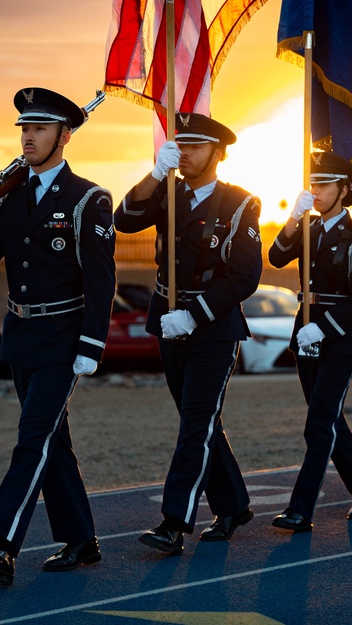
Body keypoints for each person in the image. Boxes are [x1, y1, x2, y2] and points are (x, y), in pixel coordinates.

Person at [0, 86, 116, 585]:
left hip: (63, 339)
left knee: (32, 439)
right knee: (52, 442)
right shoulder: (12, 198)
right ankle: (81, 540)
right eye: (24, 128)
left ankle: (2, 544)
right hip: (21, 336)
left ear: (65, 134)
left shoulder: (87, 200)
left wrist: (91, 345)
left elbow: (102, 281)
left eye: (38, 128)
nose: (28, 136)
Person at [114, 112, 261, 555]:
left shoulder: (241, 203)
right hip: (167, 320)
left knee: (195, 423)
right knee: (197, 420)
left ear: (219, 153)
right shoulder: (167, 191)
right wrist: (154, 174)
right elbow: (126, 219)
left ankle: (174, 522)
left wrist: (194, 315)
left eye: (197, 146)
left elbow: (244, 276)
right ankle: (233, 505)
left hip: (213, 328)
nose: (187, 153)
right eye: (182, 145)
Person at [266, 152, 352, 532]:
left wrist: (325, 326)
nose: (316, 191)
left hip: (339, 338)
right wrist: (292, 220)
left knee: (318, 423)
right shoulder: (307, 228)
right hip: (305, 333)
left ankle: (301, 509)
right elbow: (276, 257)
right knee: (329, 419)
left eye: (324, 185)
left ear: (343, 190)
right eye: (313, 184)